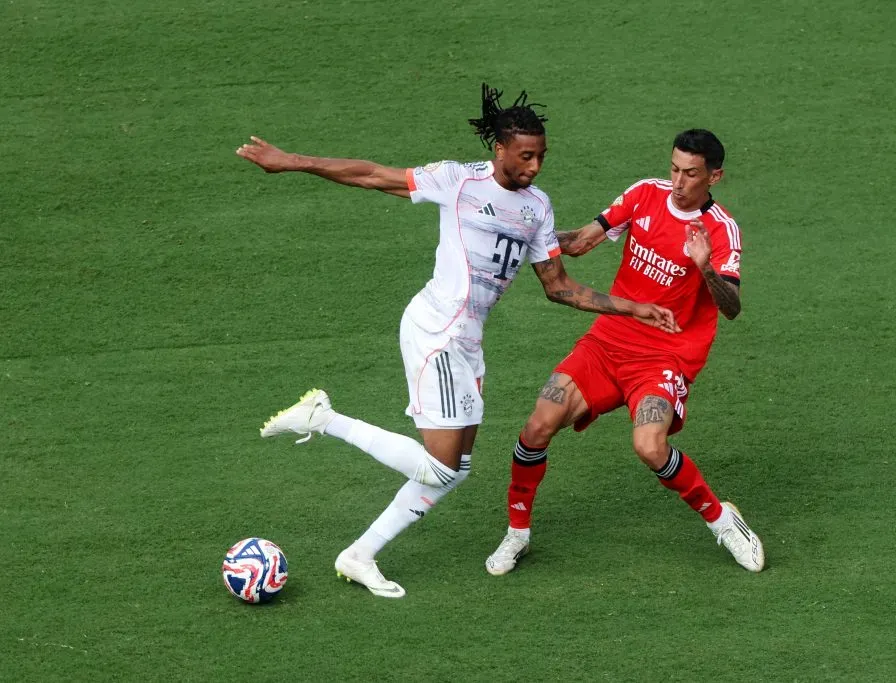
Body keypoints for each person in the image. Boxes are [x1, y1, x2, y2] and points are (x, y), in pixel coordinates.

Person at [235, 84, 679, 598]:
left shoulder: (537, 207)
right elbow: (373, 175)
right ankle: (324, 418)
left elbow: (559, 287)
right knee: (440, 464)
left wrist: (633, 307)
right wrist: (291, 161)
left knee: (455, 469)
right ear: (500, 150)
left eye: (541, 156)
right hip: (436, 331)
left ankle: (359, 555)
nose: (535, 166)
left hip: (468, 341)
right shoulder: (458, 181)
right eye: (526, 156)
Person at [485, 129, 765, 576]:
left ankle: (722, 520)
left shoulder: (721, 230)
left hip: (665, 356)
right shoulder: (644, 195)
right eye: (674, 168)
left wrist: (705, 267)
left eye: (690, 174)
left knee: (650, 447)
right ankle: (517, 532)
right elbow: (578, 243)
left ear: (714, 176)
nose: (677, 181)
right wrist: (523, 231)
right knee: (538, 424)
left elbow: (730, 308)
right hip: (609, 341)